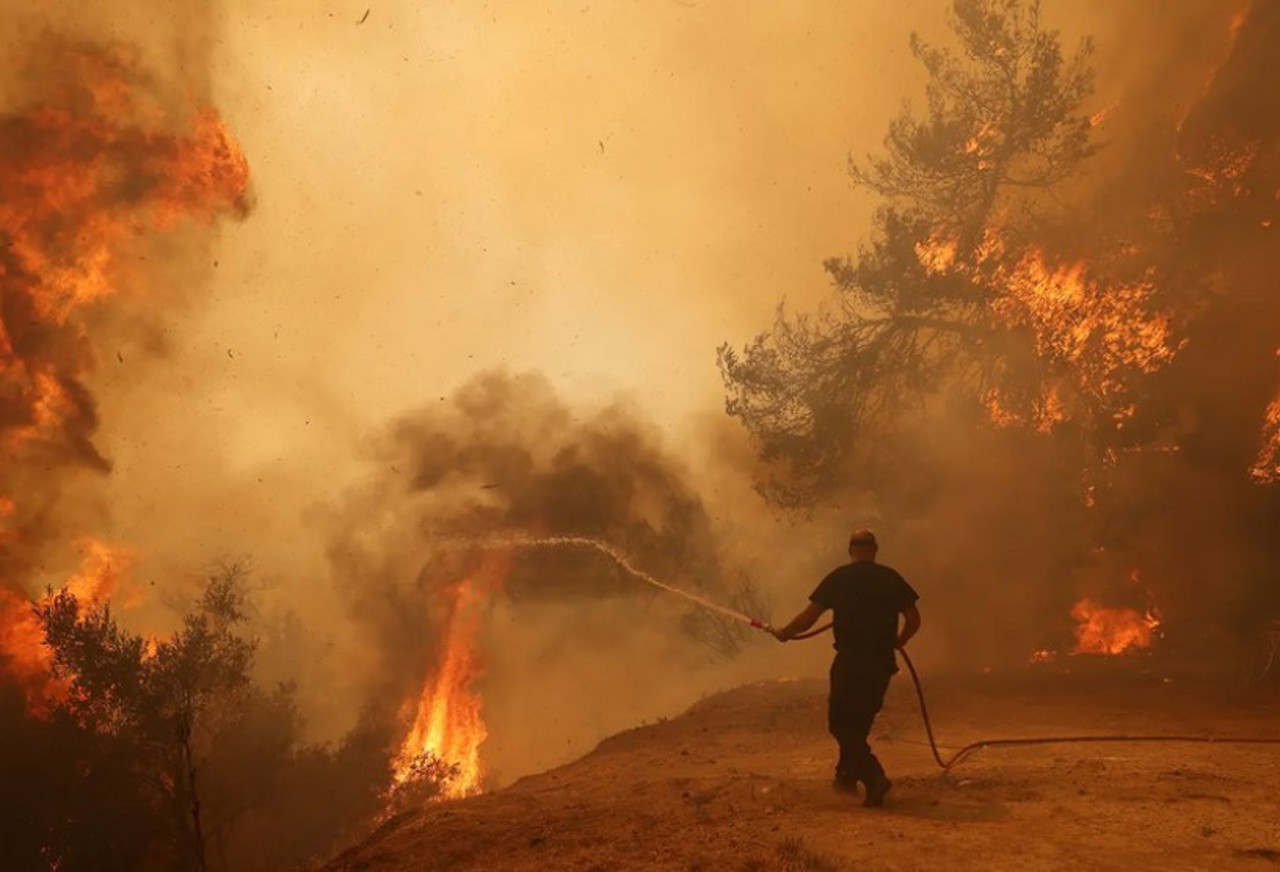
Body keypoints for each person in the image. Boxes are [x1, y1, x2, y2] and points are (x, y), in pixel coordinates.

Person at [770, 529, 921, 807]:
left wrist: (785, 633)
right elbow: (913, 618)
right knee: (859, 724)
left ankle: (874, 776)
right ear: (874, 550)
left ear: (851, 550)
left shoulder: (839, 578)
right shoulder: (890, 578)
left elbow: (808, 618)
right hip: (881, 664)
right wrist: (900, 641)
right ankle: (846, 781)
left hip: (851, 662)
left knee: (841, 724)